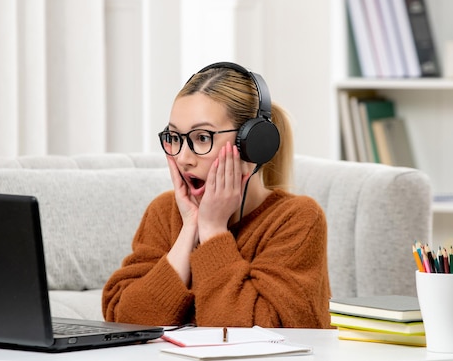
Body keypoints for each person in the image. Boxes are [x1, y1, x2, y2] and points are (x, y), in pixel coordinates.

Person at [102, 62, 331, 328]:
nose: (183, 158)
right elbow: (126, 321)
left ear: (251, 145)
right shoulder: (165, 211)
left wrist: (212, 229)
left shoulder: (297, 219)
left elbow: (252, 335)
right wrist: (191, 227)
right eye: (175, 137)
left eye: (201, 138)